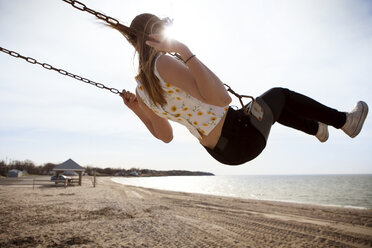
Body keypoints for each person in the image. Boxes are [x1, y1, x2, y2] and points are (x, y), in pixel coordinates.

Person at [112, 13, 368, 165]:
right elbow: (222, 99)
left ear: (132, 43)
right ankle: (344, 121)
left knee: (269, 108)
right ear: (157, 32)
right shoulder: (163, 63)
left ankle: (317, 128)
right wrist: (185, 51)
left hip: (223, 152)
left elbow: (165, 136)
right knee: (281, 95)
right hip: (239, 135)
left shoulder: (142, 88)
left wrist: (137, 109)